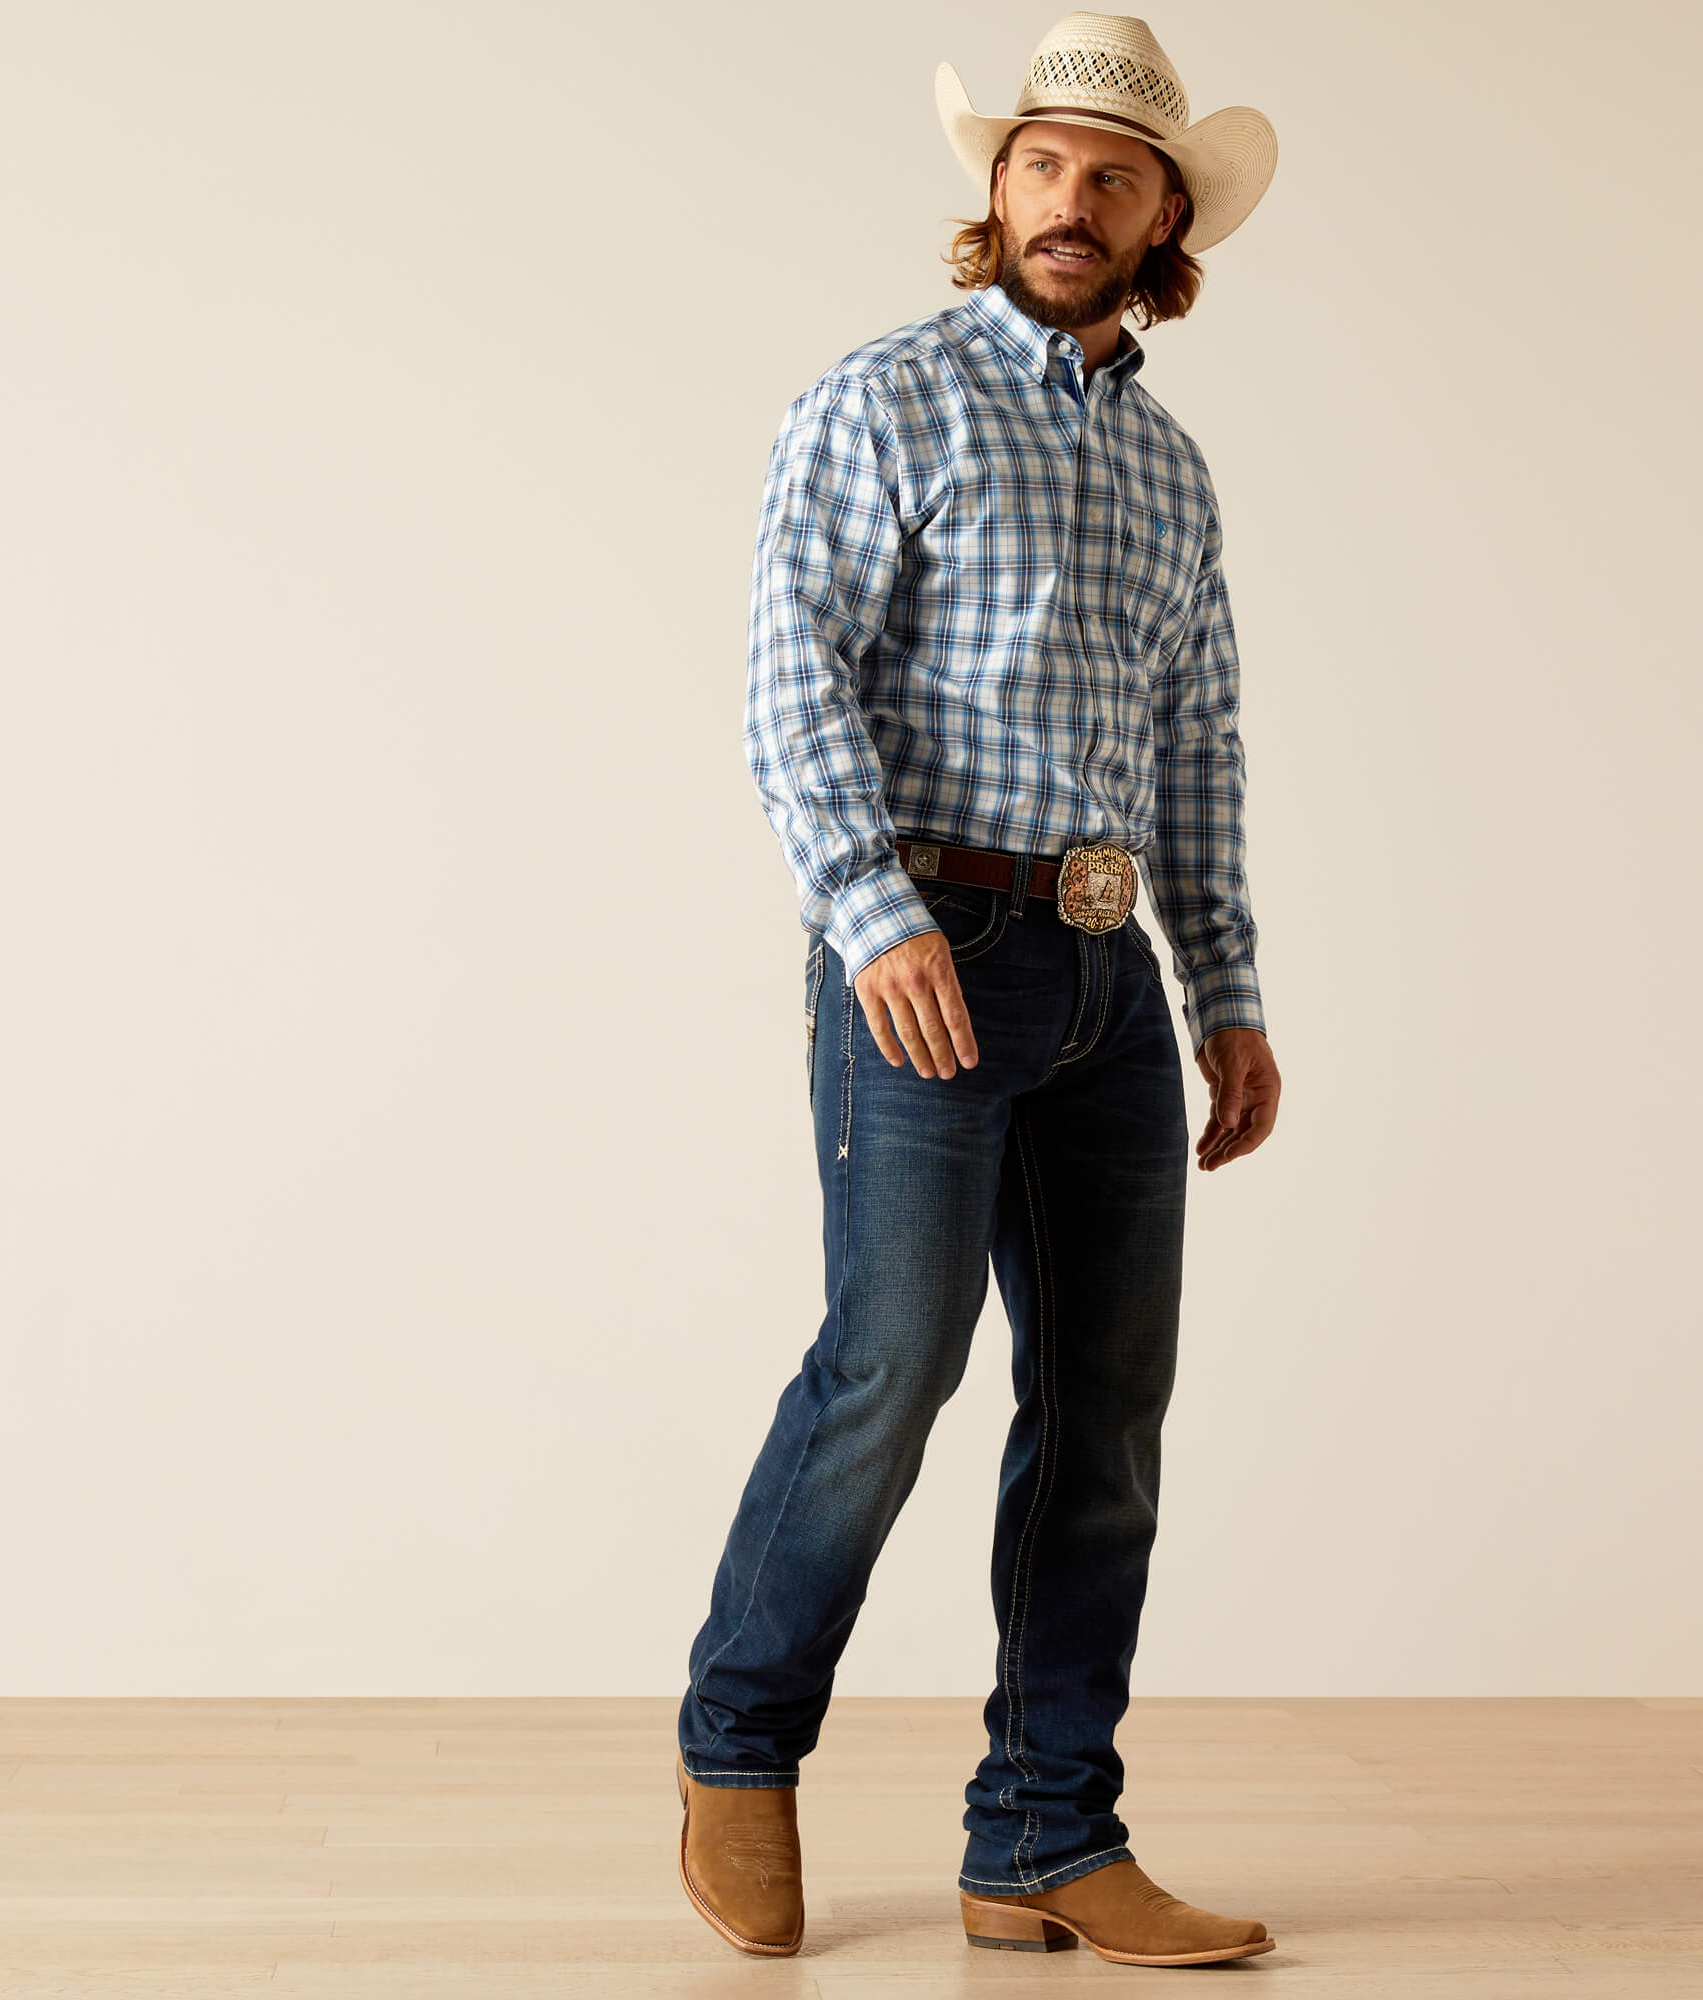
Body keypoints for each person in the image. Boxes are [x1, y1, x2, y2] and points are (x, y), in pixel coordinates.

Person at [675, 11, 1284, 1969]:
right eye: (1042, 162)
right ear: (994, 185)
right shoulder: (887, 400)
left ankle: (1042, 1834)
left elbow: (1195, 744)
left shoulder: (1174, 475)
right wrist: (875, 917)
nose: (1071, 198)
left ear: (1163, 220)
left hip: (1107, 979)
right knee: (892, 1363)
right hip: (926, 958)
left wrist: (1229, 988)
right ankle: (735, 1740)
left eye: (1114, 175)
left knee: (1104, 1412)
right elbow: (794, 675)